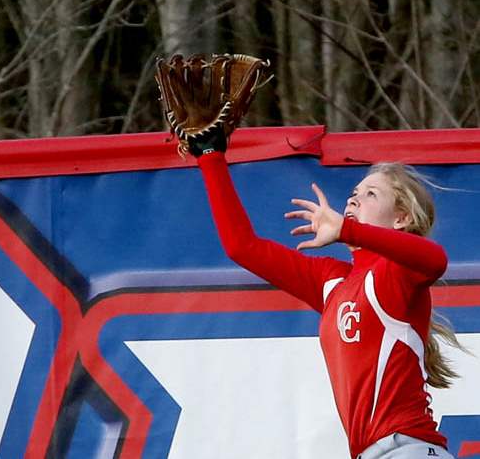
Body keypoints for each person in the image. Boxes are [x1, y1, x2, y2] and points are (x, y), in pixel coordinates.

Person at [188, 126, 457, 459]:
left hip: (409, 450)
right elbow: (243, 247)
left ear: (401, 218)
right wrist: (211, 158)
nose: (354, 198)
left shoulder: (395, 273)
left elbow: (435, 259)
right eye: (354, 193)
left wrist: (347, 229)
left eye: (371, 194)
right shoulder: (333, 281)